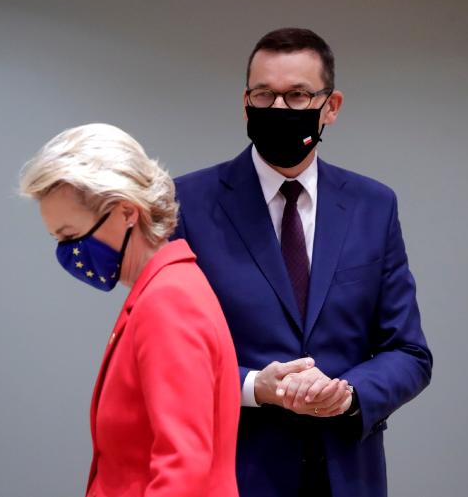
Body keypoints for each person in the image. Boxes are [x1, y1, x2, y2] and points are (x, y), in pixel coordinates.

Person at [172, 28, 433, 497]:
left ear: (331, 107)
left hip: (347, 474)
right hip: (234, 474)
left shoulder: (374, 206)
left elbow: (408, 352)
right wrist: (256, 386)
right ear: (245, 103)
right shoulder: (186, 203)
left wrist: (348, 394)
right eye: (263, 95)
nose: (278, 109)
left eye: (297, 96)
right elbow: (168, 356)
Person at [19, 123, 240, 497]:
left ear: (126, 212)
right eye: (58, 239)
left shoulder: (169, 301)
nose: (68, 252)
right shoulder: (160, 290)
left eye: (71, 236)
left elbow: (182, 468)